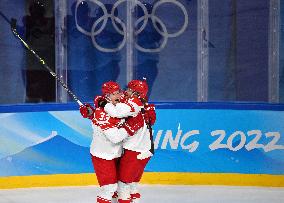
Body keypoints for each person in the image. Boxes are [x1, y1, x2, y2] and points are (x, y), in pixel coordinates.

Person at [79, 81, 144, 203]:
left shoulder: (114, 105)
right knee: (109, 188)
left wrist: (91, 112)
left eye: (119, 92)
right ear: (107, 96)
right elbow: (115, 137)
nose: (119, 95)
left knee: (118, 188)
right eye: (114, 93)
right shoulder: (102, 114)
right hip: (103, 155)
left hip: (116, 153)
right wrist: (130, 128)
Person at [102, 80, 156, 203]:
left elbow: (116, 112)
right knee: (132, 184)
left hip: (135, 151)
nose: (125, 92)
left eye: (129, 90)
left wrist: (103, 102)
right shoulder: (144, 105)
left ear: (135, 93)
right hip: (146, 149)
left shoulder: (133, 104)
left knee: (123, 185)